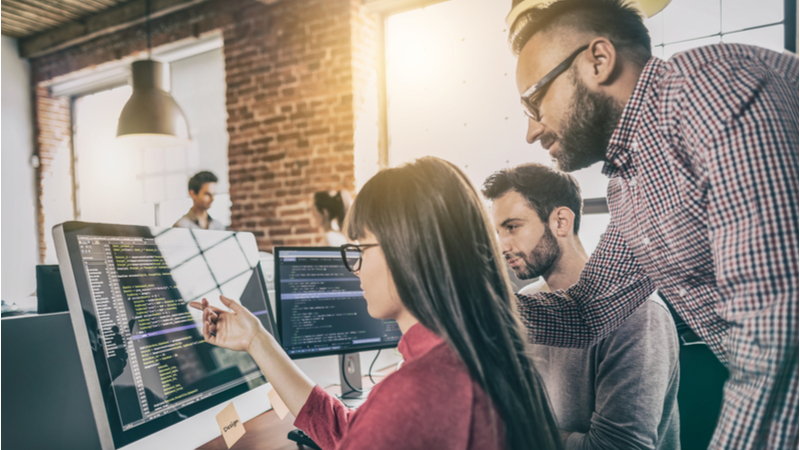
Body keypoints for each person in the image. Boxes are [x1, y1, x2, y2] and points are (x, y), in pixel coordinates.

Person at [506, 0, 798, 448]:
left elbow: (781, 338)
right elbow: (590, 313)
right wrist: (466, 310)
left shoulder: (716, 94)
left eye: (534, 99)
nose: (531, 130)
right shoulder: (631, 182)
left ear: (598, 60)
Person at [191, 157, 562, 450]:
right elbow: (348, 432)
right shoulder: (490, 354)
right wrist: (257, 340)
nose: (355, 269)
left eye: (360, 250)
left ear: (407, 253)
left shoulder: (415, 394)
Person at [483, 163, 679, 450]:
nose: (502, 245)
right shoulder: (529, 300)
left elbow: (618, 448)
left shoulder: (638, 312)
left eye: (512, 227)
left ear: (560, 221)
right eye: (498, 232)